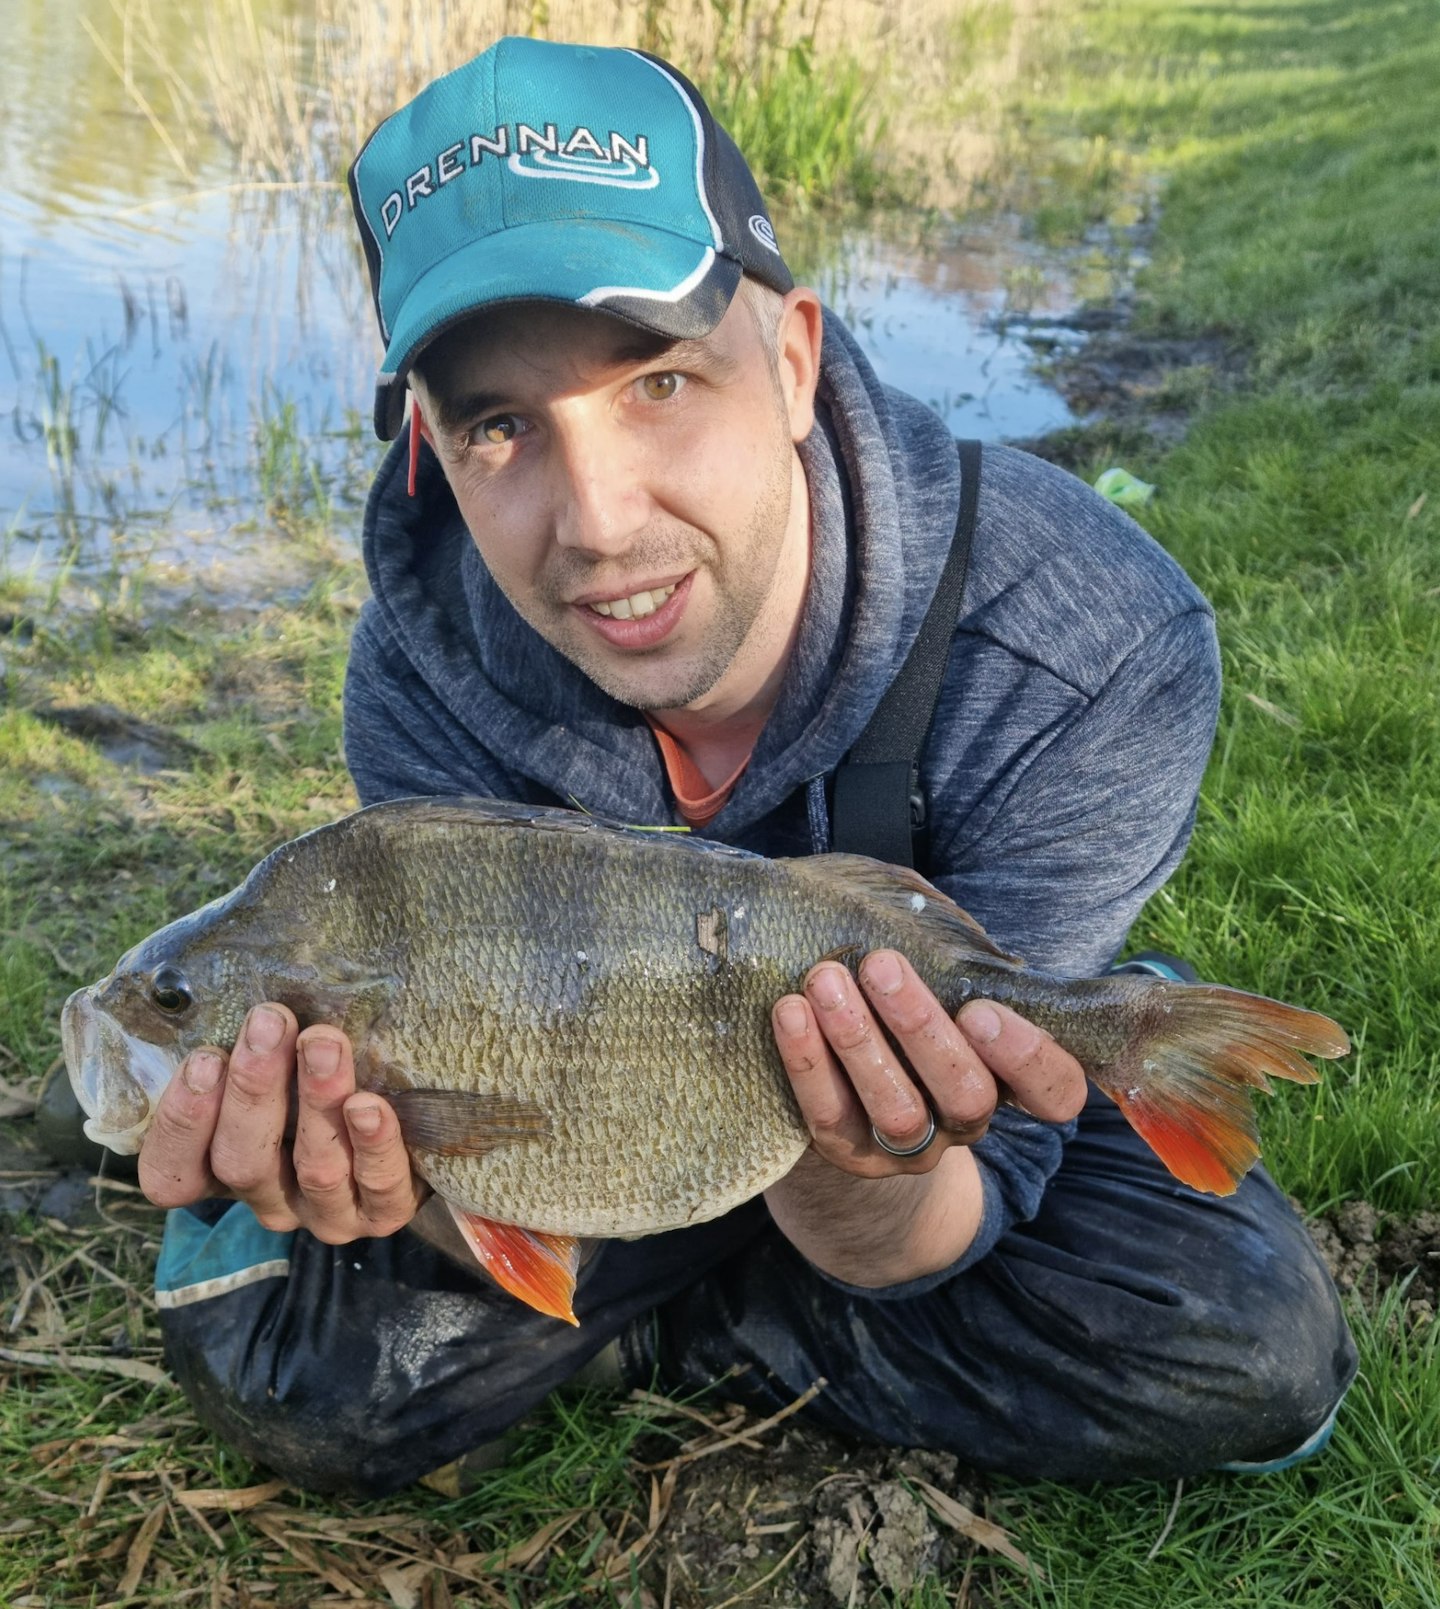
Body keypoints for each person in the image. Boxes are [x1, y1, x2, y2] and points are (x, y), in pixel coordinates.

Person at [137, 37, 1355, 1496]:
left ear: (791, 362)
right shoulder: (420, 667)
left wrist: (855, 1170)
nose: (595, 523)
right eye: (502, 425)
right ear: (430, 449)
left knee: (1253, 1344)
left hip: (916, 1139)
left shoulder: (1096, 644)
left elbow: (972, 1199)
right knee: (307, 1387)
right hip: (590, 1108)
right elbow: (495, 1141)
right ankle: (725, 1321)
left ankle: (671, 1324)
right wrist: (409, 1189)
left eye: (658, 383)